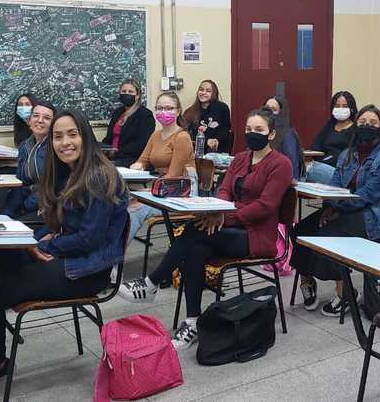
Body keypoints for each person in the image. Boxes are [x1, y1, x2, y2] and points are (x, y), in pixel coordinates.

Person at [0, 109, 128, 399]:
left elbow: (90, 240)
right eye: (58, 136)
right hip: (68, 256)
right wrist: (30, 242)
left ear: (86, 137)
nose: (65, 142)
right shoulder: (66, 174)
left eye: (72, 134)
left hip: (87, 271)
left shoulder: (100, 175)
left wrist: (42, 245)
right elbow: (61, 229)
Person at [118, 109, 292, 350]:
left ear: (271, 133)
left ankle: (153, 282)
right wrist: (218, 209)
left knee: (194, 233)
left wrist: (223, 217)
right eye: (249, 130)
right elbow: (224, 189)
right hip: (229, 225)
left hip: (256, 236)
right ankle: (193, 321)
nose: (253, 134)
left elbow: (265, 206)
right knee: (196, 247)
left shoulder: (281, 164)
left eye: (259, 130)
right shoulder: (241, 158)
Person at [291, 105, 380, 317]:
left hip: (373, 217)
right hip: (346, 208)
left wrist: (338, 208)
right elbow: (334, 186)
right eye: (362, 123)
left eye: (372, 124)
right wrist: (329, 207)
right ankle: (307, 282)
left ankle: (345, 294)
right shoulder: (347, 155)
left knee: (329, 236)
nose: (366, 126)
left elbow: (367, 195)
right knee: (301, 229)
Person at [126, 91, 195, 239]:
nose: (163, 112)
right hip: (160, 188)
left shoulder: (182, 137)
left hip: (180, 191)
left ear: (178, 111)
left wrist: (145, 193)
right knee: (119, 205)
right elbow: (143, 160)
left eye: (169, 108)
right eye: (159, 108)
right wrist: (137, 166)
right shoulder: (156, 135)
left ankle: (114, 258)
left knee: (135, 210)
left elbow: (174, 176)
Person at [0, 100, 56, 222]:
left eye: (46, 118)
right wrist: (6, 214)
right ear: (29, 120)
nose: (40, 120)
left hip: (46, 206)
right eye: (36, 116)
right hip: (25, 200)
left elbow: (55, 186)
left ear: (53, 124)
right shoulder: (25, 146)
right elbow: (19, 182)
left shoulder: (56, 147)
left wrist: (27, 205)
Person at [305, 90, 358, 183]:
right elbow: (316, 145)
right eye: (337, 106)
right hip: (322, 165)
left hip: (340, 171)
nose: (340, 109)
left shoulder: (355, 129)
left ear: (352, 108)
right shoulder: (330, 125)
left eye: (345, 106)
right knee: (300, 167)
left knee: (304, 171)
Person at [102, 79, 155, 167]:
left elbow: (142, 144)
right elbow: (108, 138)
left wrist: (116, 152)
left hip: (130, 159)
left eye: (130, 92)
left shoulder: (145, 115)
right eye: (124, 91)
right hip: (111, 156)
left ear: (137, 96)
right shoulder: (117, 113)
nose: (126, 94)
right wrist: (103, 150)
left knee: (103, 168)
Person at [183, 79, 232, 154]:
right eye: (201, 90)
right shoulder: (189, 112)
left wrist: (216, 140)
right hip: (195, 152)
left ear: (214, 93)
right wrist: (205, 141)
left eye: (208, 91)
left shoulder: (222, 108)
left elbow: (225, 130)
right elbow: (187, 135)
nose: (203, 93)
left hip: (217, 152)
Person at [264, 95, 304, 181]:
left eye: (274, 110)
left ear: (281, 113)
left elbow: (292, 163)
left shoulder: (288, 134)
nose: (269, 112)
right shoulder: (261, 131)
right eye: (266, 109)